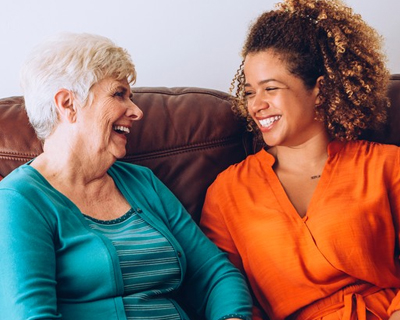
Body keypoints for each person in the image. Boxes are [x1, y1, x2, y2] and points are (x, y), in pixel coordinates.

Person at [0, 32, 252, 320]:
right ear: (68, 104)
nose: (137, 111)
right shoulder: (18, 201)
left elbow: (214, 273)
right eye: (119, 94)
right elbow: (31, 315)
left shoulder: (141, 182)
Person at [200, 0, 400, 319]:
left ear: (319, 91)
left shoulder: (385, 166)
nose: (257, 105)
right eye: (250, 92)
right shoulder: (228, 192)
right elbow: (222, 288)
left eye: (271, 89)